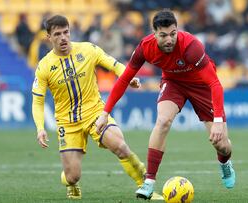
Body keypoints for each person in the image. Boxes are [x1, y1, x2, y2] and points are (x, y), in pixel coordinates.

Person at [96, 9, 236, 200]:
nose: (169, 39)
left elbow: (214, 83)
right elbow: (123, 80)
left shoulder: (191, 46)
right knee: (162, 121)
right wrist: (105, 112)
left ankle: (225, 163)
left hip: (201, 86)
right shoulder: (145, 47)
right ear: (154, 34)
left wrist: (218, 120)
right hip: (173, 82)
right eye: (163, 35)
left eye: (173, 34)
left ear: (177, 30)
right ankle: (149, 182)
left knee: (222, 145)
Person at [31, 15, 149, 200]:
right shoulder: (44, 66)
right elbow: (37, 101)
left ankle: (145, 184)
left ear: (70, 32)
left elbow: (113, 63)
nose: (63, 37)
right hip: (68, 123)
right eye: (57, 34)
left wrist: (128, 77)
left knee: (120, 145)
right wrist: (40, 128)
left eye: (66, 32)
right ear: (49, 37)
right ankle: (71, 183)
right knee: (72, 176)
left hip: (95, 113)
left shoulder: (87, 49)